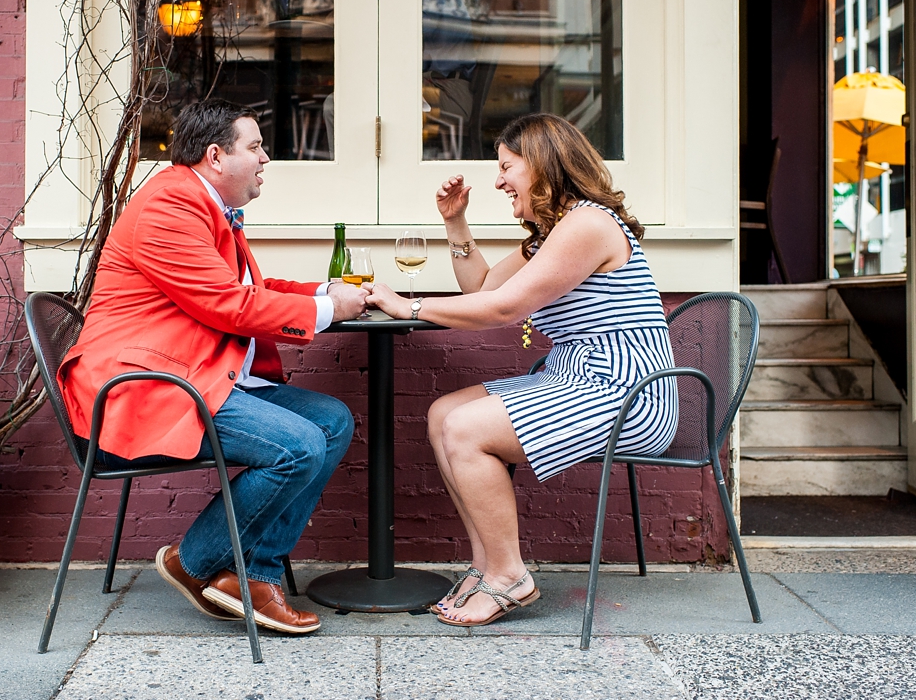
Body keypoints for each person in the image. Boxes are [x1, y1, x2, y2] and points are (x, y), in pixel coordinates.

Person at [58, 99, 371, 635]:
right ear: (215, 157)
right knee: (298, 446)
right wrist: (327, 310)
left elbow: (247, 290)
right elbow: (230, 306)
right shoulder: (170, 207)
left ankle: (250, 573)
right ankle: (198, 561)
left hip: (197, 374)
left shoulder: (207, 207)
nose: (266, 158)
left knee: (332, 420)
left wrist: (327, 291)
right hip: (148, 388)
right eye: (255, 147)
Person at [366, 112, 678, 627]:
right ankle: (488, 566)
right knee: (445, 411)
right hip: (578, 376)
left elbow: (502, 310)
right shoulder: (557, 230)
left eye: (507, 166)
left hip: (628, 390)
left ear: (542, 164)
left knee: (466, 430)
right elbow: (483, 288)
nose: (498, 180)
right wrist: (454, 222)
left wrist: (412, 307)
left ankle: (511, 576)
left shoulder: (589, 224)